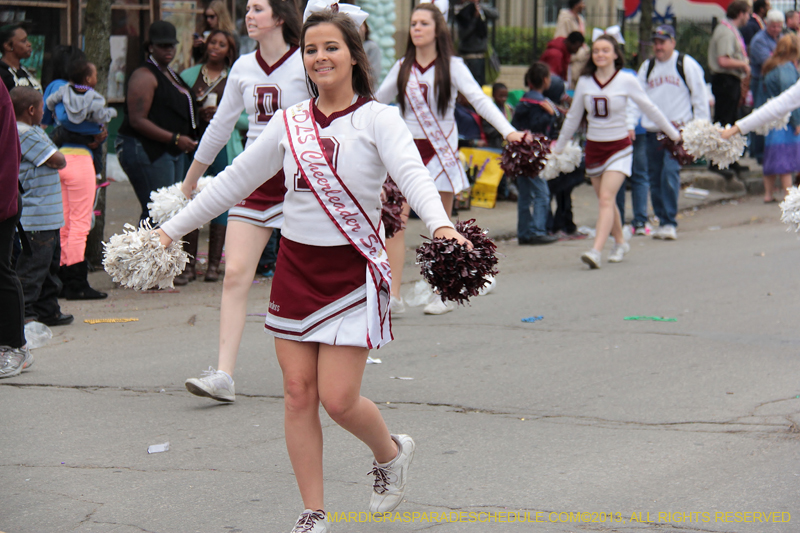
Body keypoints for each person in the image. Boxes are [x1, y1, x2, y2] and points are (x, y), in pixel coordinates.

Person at [156, 6, 467, 531]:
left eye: (331, 48)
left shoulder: (378, 119)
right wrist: (170, 230)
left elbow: (413, 176)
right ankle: (313, 513)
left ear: (354, 56)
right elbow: (234, 181)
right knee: (298, 393)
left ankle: (391, 453)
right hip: (296, 271)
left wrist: (439, 224)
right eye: (311, 49)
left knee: (338, 400)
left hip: (351, 273)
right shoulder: (290, 122)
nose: (320, 57)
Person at [181, 0, 310, 402]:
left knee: (303, 278)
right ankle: (223, 375)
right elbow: (220, 127)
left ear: (280, 17)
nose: (249, 15)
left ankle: (323, 363)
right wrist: (190, 181)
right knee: (235, 273)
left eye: (258, 8)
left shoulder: (305, 60)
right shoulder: (242, 67)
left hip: (298, 181)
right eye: (248, 9)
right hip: (252, 180)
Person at [376, 3, 525, 315]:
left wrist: (508, 131)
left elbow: (480, 101)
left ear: (437, 29)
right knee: (395, 226)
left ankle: (441, 294)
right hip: (407, 153)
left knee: (440, 226)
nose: (416, 28)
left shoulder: (453, 66)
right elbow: (375, 102)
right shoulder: (403, 66)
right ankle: (394, 296)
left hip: (440, 153)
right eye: (413, 23)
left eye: (423, 23)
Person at [553, 34, 680, 269]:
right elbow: (573, 118)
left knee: (605, 198)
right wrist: (558, 149)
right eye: (596, 51)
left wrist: (674, 134)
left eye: (605, 50)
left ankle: (595, 251)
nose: (600, 54)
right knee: (607, 201)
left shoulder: (626, 80)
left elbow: (649, 108)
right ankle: (620, 242)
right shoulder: (585, 82)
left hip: (619, 148)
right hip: (594, 148)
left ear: (614, 54)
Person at [116, 21, 198, 222]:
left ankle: (159, 245)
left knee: (171, 211)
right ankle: (142, 244)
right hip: (146, 149)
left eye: (171, 45)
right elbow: (137, 120)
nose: (168, 50)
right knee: (157, 212)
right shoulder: (144, 75)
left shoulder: (169, 73)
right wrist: (175, 138)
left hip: (171, 150)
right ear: (151, 46)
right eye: (162, 45)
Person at [634, 25, 710, 241]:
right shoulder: (647, 67)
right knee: (655, 176)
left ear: (673, 43)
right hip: (652, 131)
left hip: (678, 132)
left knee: (669, 173)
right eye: (655, 42)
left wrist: (701, 126)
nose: (658, 46)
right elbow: (637, 97)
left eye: (663, 42)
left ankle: (669, 221)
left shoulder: (685, 64)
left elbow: (699, 97)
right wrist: (632, 122)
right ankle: (661, 218)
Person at [179, 30, 241, 283]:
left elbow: (247, 116)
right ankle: (188, 266)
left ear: (229, 50)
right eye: (212, 42)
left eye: (222, 44)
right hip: (194, 145)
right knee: (190, 197)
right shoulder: (188, 75)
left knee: (221, 198)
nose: (215, 47)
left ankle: (214, 266)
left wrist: (224, 118)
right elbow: (179, 109)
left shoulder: (236, 77)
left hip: (224, 147)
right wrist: (198, 115)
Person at [12, 87, 74, 326]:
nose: (44, 113)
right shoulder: (23, 133)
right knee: (33, 268)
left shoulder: (34, 131)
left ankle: (48, 310)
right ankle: (24, 313)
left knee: (49, 267)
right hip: (36, 216)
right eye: (41, 109)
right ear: (31, 110)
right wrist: (56, 154)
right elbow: (58, 159)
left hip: (48, 214)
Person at [0, 82, 34, 379]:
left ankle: (16, 347)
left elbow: (8, 152)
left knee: (1, 271)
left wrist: (5, 202)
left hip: (3, 199)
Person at [510, 62, 559, 245]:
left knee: (525, 194)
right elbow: (539, 127)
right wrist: (550, 115)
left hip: (519, 152)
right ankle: (537, 231)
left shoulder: (522, 101)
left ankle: (523, 232)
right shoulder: (540, 104)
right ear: (545, 80)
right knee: (541, 193)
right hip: (533, 154)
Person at [708, 0, 750, 177]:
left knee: (731, 121)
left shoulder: (731, 30)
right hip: (725, 80)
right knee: (723, 121)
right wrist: (743, 65)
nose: (748, 17)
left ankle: (730, 159)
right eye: (747, 13)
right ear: (741, 13)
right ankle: (717, 161)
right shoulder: (725, 31)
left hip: (731, 80)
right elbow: (723, 60)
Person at [758, 34, 800, 202]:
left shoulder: (770, 65)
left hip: (770, 119)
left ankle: (768, 194)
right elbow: (790, 99)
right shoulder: (786, 68)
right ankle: (789, 197)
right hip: (785, 122)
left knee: (771, 157)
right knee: (785, 160)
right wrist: (797, 122)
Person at [748, 9, 784, 163]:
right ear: (767, 24)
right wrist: (784, 59)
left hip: (776, 83)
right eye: (773, 26)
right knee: (760, 115)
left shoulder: (781, 38)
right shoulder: (759, 40)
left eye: (778, 26)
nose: (776, 29)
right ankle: (759, 153)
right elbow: (768, 63)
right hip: (760, 83)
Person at [453, 0, 498, 86]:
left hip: (481, 54)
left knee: (480, 84)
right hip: (469, 55)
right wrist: (475, 18)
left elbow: (495, 14)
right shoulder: (462, 11)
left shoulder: (481, 9)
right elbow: (463, 34)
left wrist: (479, 7)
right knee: (469, 84)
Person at [0, 24, 41, 92]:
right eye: (23, 41)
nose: (29, 44)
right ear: (8, 46)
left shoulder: (24, 72)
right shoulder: (2, 75)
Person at [359, 21, 381, 88]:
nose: (358, 29)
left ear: (365, 28)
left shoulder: (371, 47)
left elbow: (374, 74)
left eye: (361, 26)